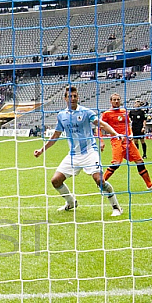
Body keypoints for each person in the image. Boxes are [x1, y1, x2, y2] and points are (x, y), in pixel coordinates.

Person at [34, 86, 124, 217]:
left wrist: (115, 133)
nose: (73, 98)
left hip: (89, 152)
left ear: (78, 97)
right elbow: (55, 136)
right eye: (70, 96)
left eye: (75, 96)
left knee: (99, 180)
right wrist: (42, 150)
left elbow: (101, 124)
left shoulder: (86, 112)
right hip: (73, 155)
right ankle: (71, 202)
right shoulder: (62, 116)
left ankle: (116, 207)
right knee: (55, 181)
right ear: (65, 98)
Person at [99, 93, 152, 191]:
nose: (116, 101)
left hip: (128, 141)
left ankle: (150, 185)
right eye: (114, 100)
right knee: (116, 163)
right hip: (117, 141)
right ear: (110, 101)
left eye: (118, 99)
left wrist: (131, 135)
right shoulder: (106, 114)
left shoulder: (124, 111)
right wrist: (101, 141)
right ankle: (101, 183)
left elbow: (127, 124)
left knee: (140, 161)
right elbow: (99, 127)